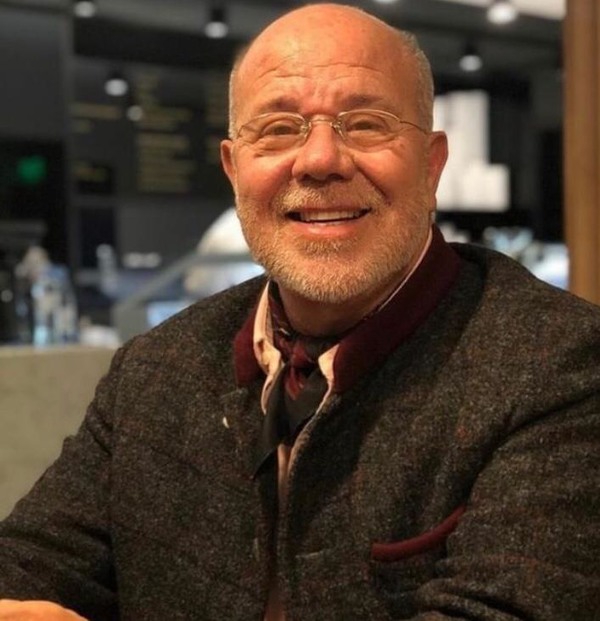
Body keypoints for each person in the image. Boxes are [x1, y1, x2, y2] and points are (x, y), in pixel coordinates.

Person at [1, 3, 599, 619]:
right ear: (234, 169)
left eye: (365, 124)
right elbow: (26, 567)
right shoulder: (151, 371)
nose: (319, 160)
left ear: (431, 164)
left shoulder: (562, 367)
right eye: (279, 129)